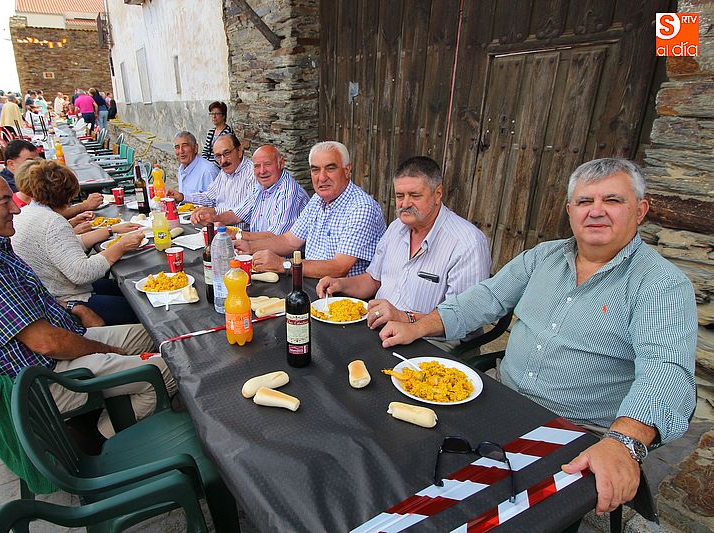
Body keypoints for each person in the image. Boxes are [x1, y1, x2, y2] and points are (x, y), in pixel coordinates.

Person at [379, 158, 698, 515]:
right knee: (410, 460)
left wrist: (623, 443)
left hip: (575, 429)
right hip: (503, 399)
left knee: (502, 513)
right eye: (584, 202)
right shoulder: (544, 257)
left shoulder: (661, 284)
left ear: (640, 210)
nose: (595, 212)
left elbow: (667, 372)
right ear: (569, 210)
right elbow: (485, 298)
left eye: (612, 200)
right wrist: (417, 326)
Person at [0, 169, 175, 438]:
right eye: (5, 201)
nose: (16, 208)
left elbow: (32, 303)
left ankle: (120, 401)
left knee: (163, 337)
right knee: (173, 369)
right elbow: (47, 343)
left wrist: (73, 308)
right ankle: (101, 439)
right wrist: (106, 350)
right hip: (46, 376)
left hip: (62, 341)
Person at [317, 156, 490, 342]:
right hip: (380, 329)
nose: (405, 204)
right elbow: (373, 280)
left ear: (438, 194)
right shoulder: (396, 228)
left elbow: (465, 319)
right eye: (400, 196)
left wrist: (404, 317)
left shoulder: (467, 243)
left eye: (415, 196)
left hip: (433, 346)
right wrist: (341, 284)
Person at [11, 160, 144, 326]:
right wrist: (121, 246)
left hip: (51, 294)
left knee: (127, 286)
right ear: (65, 196)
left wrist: (112, 230)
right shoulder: (51, 221)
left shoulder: (29, 212)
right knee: (141, 307)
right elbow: (82, 273)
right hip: (65, 300)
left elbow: (65, 248)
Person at [236, 141, 386, 278]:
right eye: (315, 170)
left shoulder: (361, 208)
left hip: (343, 298)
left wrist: (283, 264)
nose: (321, 177)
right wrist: (249, 247)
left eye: (330, 168)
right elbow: (289, 241)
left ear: (347, 171)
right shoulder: (317, 200)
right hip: (312, 284)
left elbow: (339, 268)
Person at [193, 144, 309, 234]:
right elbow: (238, 214)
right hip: (259, 251)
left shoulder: (288, 192)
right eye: (257, 166)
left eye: (267, 164)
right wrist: (213, 218)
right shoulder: (260, 187)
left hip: (283, 259)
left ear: (281, 163)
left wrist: (237, 235)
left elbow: (275, 238)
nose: (262, 171)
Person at [166, 134, 255, 228]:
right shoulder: (225, 171)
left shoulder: (252, 173)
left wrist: (214, 212)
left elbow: (244, 211)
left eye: (227, 153)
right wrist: (183, 197)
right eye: (218, 156)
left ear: (239, 151)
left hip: (240, 235)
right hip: (220, 228)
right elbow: (210, 197)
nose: (223, 160)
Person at [172, 131, 218, 197]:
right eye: (177, 147)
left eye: (185, 146)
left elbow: (214, 202)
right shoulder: (182, 168)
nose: (181, 151)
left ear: (195, 148)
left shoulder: (208, 172)